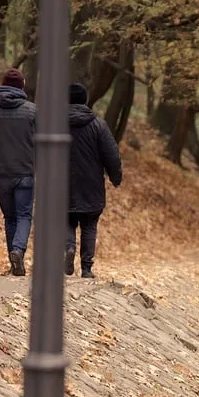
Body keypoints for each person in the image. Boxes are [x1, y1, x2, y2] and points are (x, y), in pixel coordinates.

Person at [64, 83, 123, 279]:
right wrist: (116, 177)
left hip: (62, 184)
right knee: (89, 225)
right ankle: (87, 268)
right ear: (85, 100)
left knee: (67, 220)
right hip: (91, 186)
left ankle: (69, 248)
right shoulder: (98, 125)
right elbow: (112, 156)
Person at [0, 69, 36, 276]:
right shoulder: (33, 111)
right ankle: (17, 251)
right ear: (22, 87)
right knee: (24, 214)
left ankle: (13, 260)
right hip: (25, 171)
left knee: (10, 217)